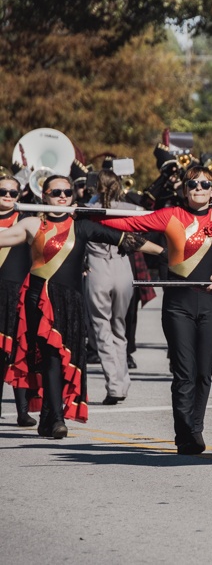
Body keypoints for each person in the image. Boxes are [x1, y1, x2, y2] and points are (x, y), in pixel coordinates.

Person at [0, 175, 155, 439]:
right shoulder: (32, 223)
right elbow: (6, 237)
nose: (62, 196)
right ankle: (57, 418)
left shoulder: (81, 225)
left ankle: (49, 416)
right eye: (56, 192)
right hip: (40, 300)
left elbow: (125, 239)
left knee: (64, 360)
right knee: (49, 356)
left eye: (67, 192)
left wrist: (166, 253)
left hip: (71, 302)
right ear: (44, 195)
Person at [99, 166, 212, 452]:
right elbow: (130, 223)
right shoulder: (172, 216)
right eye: (193, 183)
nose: (199, 188)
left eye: (206, 184)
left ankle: (196, 425)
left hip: (210, 304)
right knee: (184, 371)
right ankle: (187, 433)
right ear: (185, 189)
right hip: (178, 304)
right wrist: (88, 214)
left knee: (205, 371)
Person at [84, 170, 140, 405]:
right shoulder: (129, 210)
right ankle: (122, 382)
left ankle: (115, 385)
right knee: (119, 327)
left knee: (101, 329)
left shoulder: (85, 209)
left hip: (97, 268)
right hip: (122, 267)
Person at [0, 175, 35, 427]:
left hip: (18, 294)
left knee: (19, 352)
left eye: (13, 193)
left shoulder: (26, 221)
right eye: (3, 191)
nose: (8, 196)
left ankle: (22, 412)